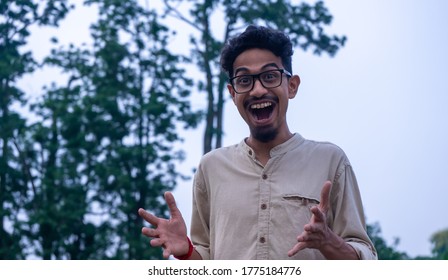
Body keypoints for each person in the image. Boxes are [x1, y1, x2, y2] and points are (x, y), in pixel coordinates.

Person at [138, 25, 377, 260]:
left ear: (291, 86)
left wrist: (328, 242)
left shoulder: (329, 161)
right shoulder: (211, 167)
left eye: (270, 76)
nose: (258, 90)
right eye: (244, 81)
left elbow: (366, 259)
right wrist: (188, 252)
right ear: (233, 93)